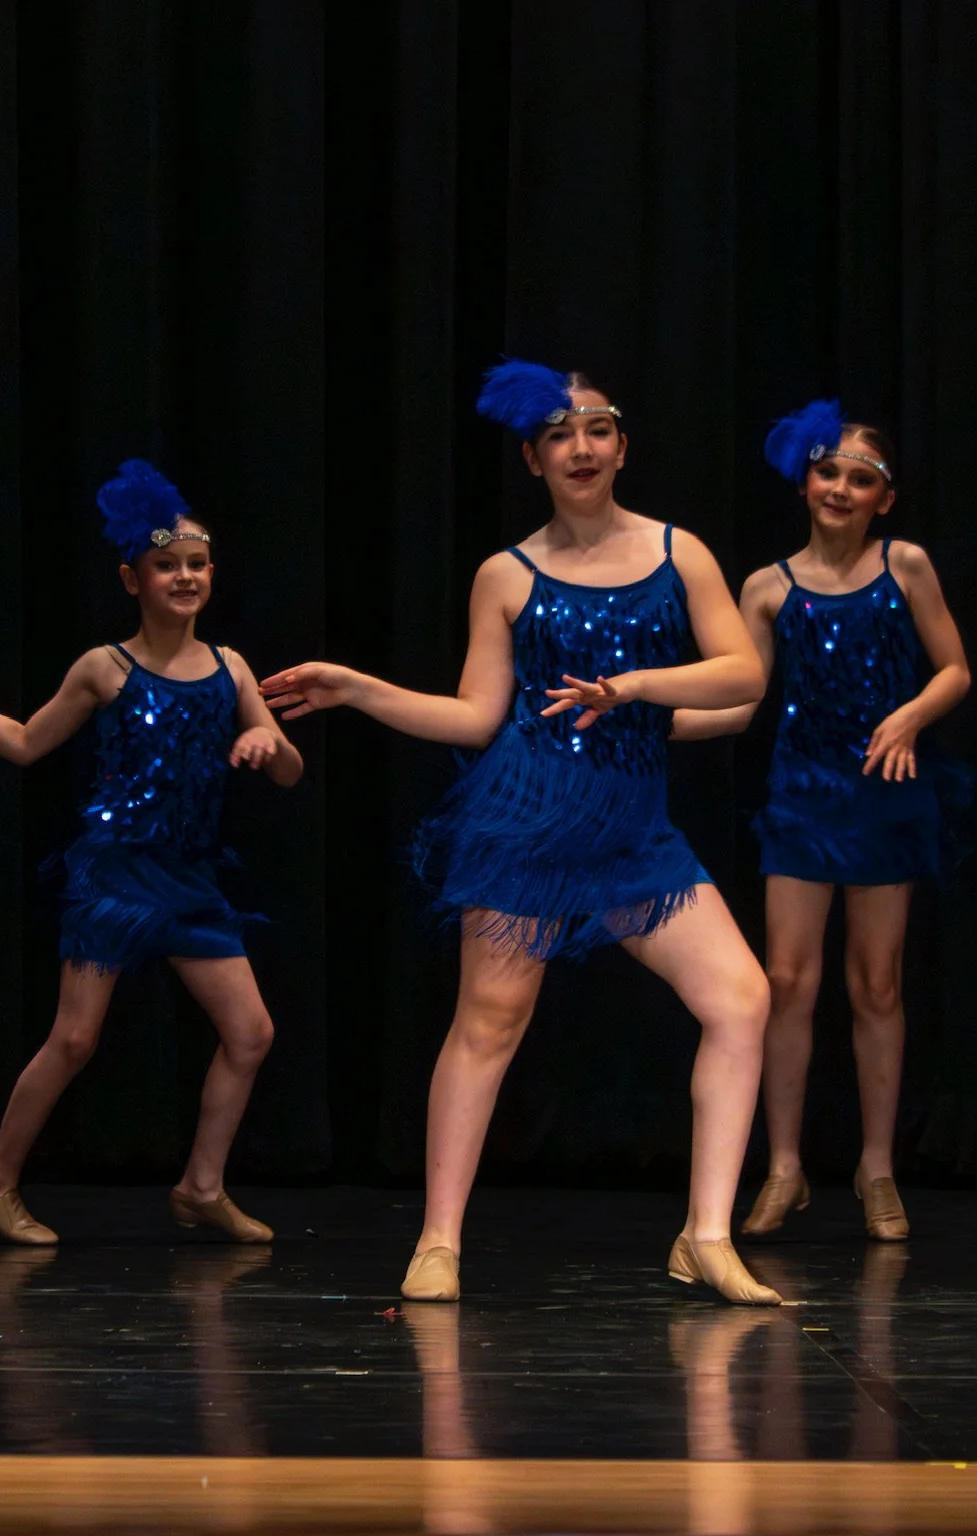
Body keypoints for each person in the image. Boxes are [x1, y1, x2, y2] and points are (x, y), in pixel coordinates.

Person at [262, 359, 776, 1304]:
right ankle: (438, 1241)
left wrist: (636, 688)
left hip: (634, 830)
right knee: (490, 1022)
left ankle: (706, 1235)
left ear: (622, 445)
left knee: (742, 1000)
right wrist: (359, 688)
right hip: (528, 822)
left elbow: (743, 674)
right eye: (558, 435)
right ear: (533, 460)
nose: (580, 448)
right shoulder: (506, 573)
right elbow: (474, 716)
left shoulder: (680, 554)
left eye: (596, 430)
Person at [0, 460, 300, 1248]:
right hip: (114, 876)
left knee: (251, 1033)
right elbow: (26, 743)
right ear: (133, 579)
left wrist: (269, 742)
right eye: (167, 565)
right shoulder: (106, 667)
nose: (186, 576)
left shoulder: (230, 668)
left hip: (191, 880)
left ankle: (201, 1187)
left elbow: (291, 770)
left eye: (198, 564)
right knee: (74, 1039)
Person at [674, 402, 970, 1242]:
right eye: (828, 471)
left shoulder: (904, 566)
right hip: (802, 797)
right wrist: (647, 716)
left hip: (885, 789)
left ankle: (876, 1167)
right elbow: (742, 701)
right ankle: (784, 1166)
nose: (840, 488)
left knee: (876, 984)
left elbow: (955, 670)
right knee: (787, 981)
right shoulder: (768, 587)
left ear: (885, 497)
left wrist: (910, 715)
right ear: (805, 482)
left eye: (860, 478)